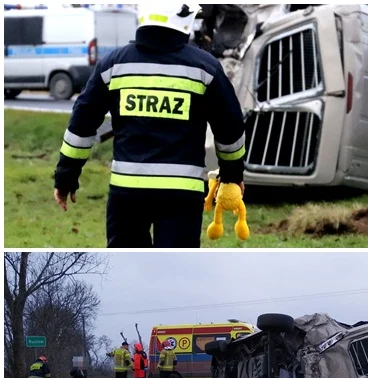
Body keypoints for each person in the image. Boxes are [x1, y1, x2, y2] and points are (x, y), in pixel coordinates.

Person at [53, 3, 246, 248]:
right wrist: (232, 175)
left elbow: (81, 127)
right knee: (176, 268)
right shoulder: (205, 68)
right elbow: (230, 128)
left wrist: (66, 177)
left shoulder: (113, 65)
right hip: (181, 195)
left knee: (127, 267)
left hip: (127, 193)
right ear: (184, 20)